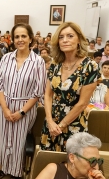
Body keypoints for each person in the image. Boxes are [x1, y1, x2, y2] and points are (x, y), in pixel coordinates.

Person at [0, 23, 46, 179]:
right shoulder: (6, 58)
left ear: (30, 39)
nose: (20, 39)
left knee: (18, 141)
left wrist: (22, 112)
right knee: (3, 137)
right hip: (5, 105)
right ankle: (5, 167)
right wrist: (5, 108)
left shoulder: (38, 62)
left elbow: (38, 91)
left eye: (24, 36)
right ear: (12, 39)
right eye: (17, 36)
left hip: (25, 107)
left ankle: (16, 171)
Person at [40, 22, 100, 152]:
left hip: (74, 123)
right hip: (52, 122)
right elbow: (48, 95)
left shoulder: (90, 66)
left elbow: (83, 103)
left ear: (79, 40)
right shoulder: (55, 64)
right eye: (61, 37)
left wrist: (61, 126)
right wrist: (50, 122)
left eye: (70, 36)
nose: (65, 40)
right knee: (48, 160)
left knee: (72, 164)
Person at [37, 132, 105, 179]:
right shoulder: (54, 170)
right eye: (92, 161)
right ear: (72, 158)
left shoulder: (97, 176)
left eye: (99, 161)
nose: (96, 167)